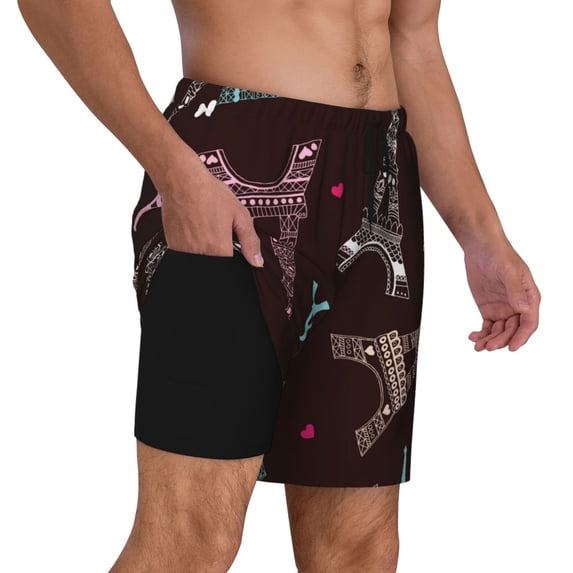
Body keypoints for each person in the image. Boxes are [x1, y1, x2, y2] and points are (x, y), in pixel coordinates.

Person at [18, 0, 540, 571]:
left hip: (378, 174)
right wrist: (173, 169)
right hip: (230, 172)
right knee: (190, 539)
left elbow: (412, 38)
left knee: (360, 550)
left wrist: (482, 235)